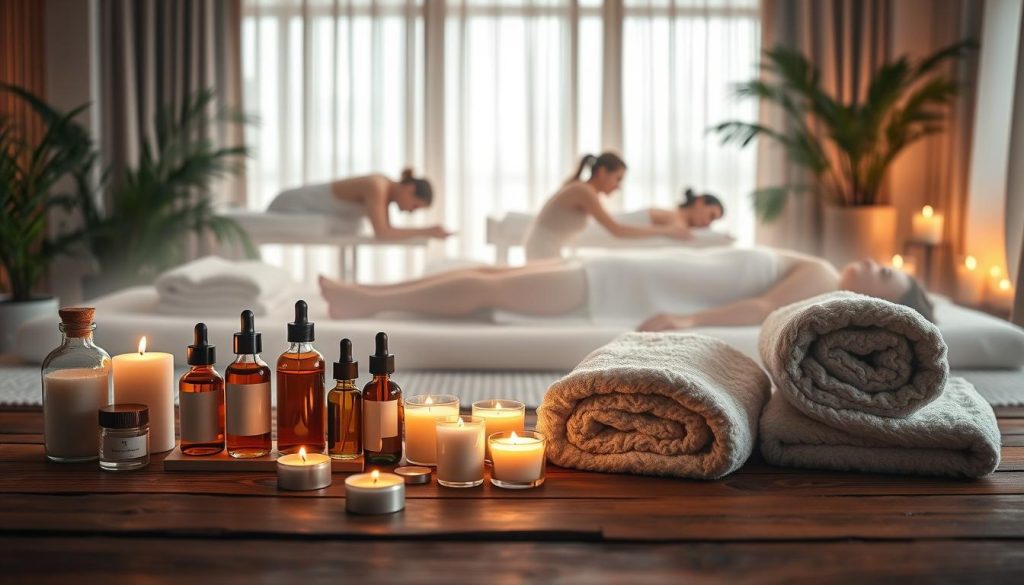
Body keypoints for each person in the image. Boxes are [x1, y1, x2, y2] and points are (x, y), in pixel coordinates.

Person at [318, 249, 935, 328]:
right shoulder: (823, 266)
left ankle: (368, 299)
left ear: (883, 301)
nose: (874, 260)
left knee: (487, 284)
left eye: (885, 273)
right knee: (492, 275)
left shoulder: (824, 279)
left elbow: (763, 308)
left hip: (621, 288)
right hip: (622, 271)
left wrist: (689, 322)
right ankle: (370, 291)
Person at [524, 153, 701, 261]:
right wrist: (666, 231)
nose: (618, 186)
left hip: (545, 247)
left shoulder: (582, 190)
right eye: (617, 179)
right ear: (602, 173)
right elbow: (617, 230)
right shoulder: (583, 191)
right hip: (543, 249)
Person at [267, 169, 452, 240]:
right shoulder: (377, 186)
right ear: (410, 189)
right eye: (415, 206)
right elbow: (383, 232)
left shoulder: (385, 192)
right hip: (291, 204)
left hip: (305, 209)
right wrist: (428, 231)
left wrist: (429, 231)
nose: (411, 212)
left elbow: (387, 229)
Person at [614, 188, 726, 232]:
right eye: (711, 216)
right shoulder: (672, 217)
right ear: (700, 202)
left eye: (712, 221)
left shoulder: (678, 221)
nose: (708, 223)